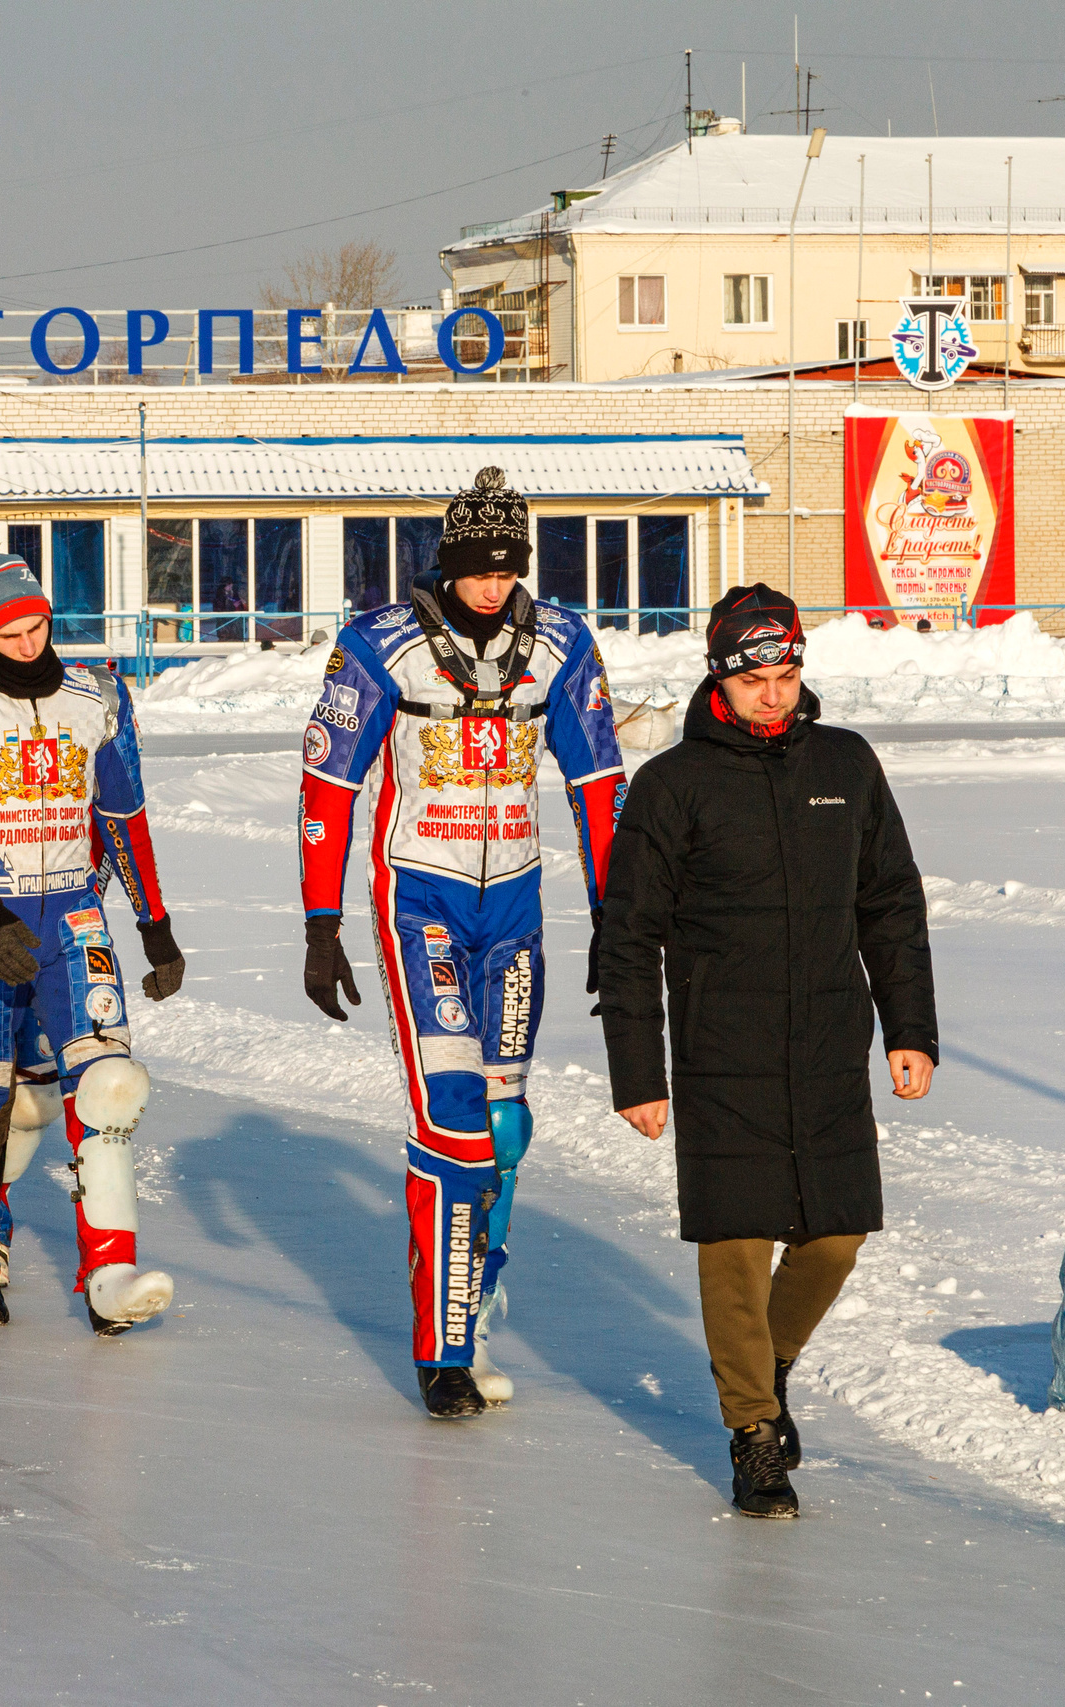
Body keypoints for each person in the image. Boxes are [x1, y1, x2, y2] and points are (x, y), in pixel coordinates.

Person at [596, 583, 938, 1519]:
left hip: (829, 1041)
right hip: (721, 1051)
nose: (775, 695)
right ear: (720, 677)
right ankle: (753, 1431)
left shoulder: (848, 764)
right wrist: (639, 1071)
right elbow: (628, 934)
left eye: (788, 675)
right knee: (736, 1243)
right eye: (757, 679)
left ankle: (768, 1364)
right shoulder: (671, 786)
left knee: (835, 1236)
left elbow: (891, 905)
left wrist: (909, 1028)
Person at [297, 467, 626, 1420]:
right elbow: (328, 789)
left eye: (509, 568)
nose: (494, 586)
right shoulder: (377, 646)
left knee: (506, 1125)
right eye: (478, 569)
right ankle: (441, 1350)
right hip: (421, 906)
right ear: (447, 565)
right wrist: (322, 925)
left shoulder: (562, 643)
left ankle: (476, 1297)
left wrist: (616, 918)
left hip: (516, 907)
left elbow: (598, 782)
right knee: (452, 1114)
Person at [0, 554, 187, 1333]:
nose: (27, 644)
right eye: (8, 632)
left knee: (110, 1086)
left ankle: (110, 1270)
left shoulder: (99, 695)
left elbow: (123, 814)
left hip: (76, 919)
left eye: (38, 626)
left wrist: (155, 923)